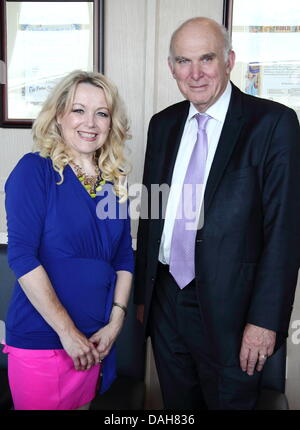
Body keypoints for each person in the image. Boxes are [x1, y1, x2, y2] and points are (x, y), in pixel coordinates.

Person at [134, 17, 300, 410]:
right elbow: (153, 214)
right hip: (165, 303)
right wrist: (145, 294)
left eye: (206, 59)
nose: (195, 74)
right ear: (171, 67)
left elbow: (284, 232)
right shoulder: (163, 125)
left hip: (235, 312)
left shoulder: (273, 124)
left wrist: (264, 321)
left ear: (229, 60)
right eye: (183, 61)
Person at [3, 70, 134, 410]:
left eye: (101, 113)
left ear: (111, 123)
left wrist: (115, 323)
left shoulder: (113, 183)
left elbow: (123, 258)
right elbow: (21, 256)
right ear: (59, 116)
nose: (90, 122)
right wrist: (67, 333)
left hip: (95, 343)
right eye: (78, 110)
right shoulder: (35, 171)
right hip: (44, 341)